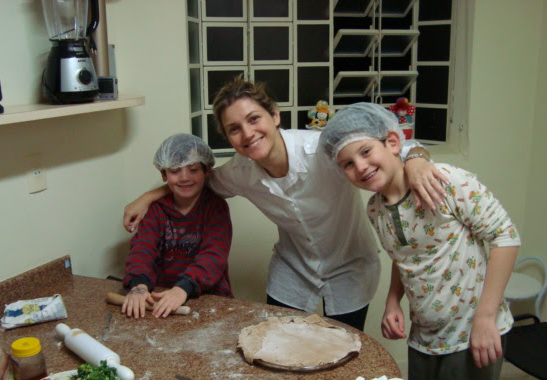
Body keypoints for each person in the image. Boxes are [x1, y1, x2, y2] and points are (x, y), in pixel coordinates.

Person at [123, 77, 447, 331]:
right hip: (293, 269)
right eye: (234, 129)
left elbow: (397, 147)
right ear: (228, 138)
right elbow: (193, 180)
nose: (248, 133)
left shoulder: (322, 148)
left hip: (351, 266)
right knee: (280, 347)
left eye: (254, 119)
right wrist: (148, 196)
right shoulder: (238, 172)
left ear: (275, 115)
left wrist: (417, 161)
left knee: (342, 349)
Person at [319, 102, 520, 380]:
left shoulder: (445, 181)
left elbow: (506, 237)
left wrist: (486, 317)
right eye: (347, 163)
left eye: (366, 152)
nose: (360, 167)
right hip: (424, 337)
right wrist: (393, 300)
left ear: (392, 142)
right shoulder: (376, 210)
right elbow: (404, 253)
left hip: (470, 334)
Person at [122, 133, 233, 319]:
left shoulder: (215, 207)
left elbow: (213, 256)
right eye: (175, 171)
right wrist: (139, 284)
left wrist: (183, 288)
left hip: (210, 298)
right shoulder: (156, 210)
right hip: (162, 297)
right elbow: (143, 250)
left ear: (206, 171)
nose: (184, 178)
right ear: (163, 174)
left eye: (193, 169)